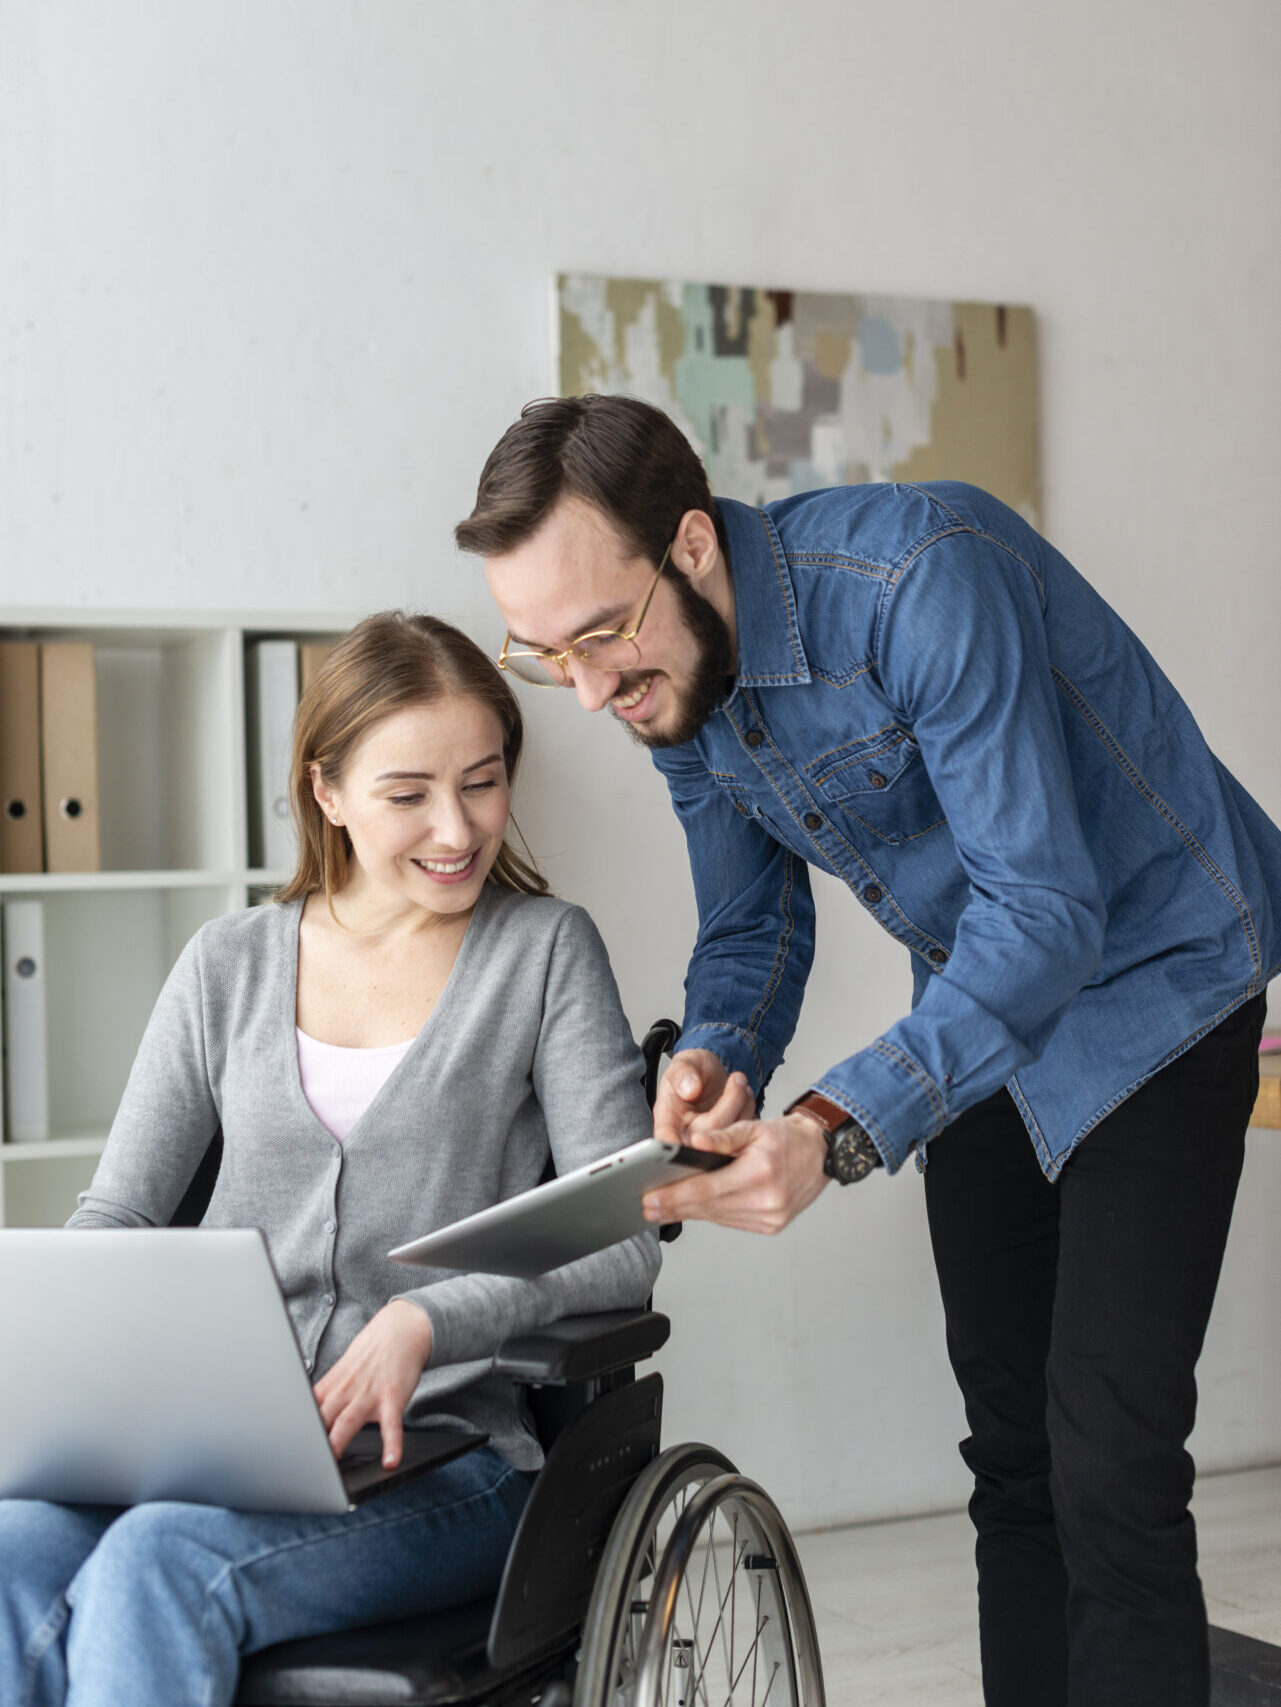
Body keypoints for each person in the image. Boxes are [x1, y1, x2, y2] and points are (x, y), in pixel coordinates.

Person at [458, 393, 1281, 1707]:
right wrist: (720, 1059)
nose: (593, 690)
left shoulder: (916, 576)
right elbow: (749, 925)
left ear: (691, 545)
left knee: (1111, 1453)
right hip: (983, 1006)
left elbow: (1047, 908)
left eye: (603, 635)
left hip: (1159, 977)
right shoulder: (672, 686)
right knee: (1012, 1450)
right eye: (545, 653)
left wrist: (833, 1127)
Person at [0, 610, 660, 1707]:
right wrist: (64, 1369)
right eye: (408, 795)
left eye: (483, 783)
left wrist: (426, 1319)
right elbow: (116, 1214)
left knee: (160, 1565)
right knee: (11, 1545)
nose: (457, 828)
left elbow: (621, 1240)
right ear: (328, 792)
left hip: (451, 1460)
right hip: (213, 1450)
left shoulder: (543, 954)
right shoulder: (229, 965)